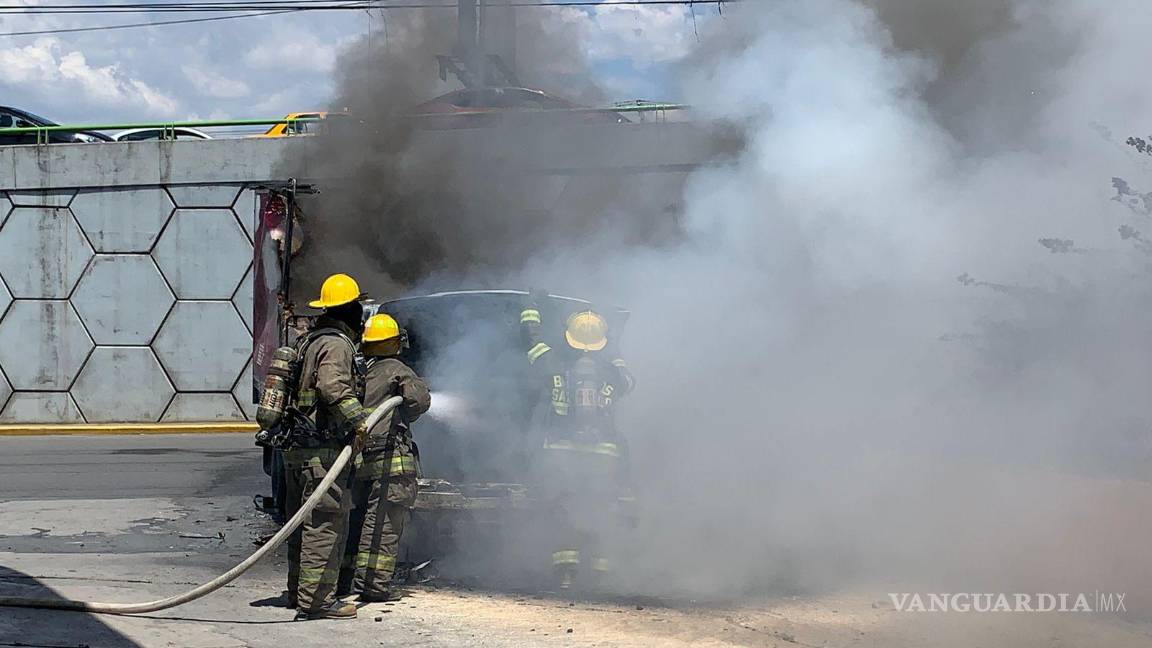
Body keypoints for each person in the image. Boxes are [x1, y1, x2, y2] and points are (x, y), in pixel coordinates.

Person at [519, 296, 636, 591]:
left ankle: (566, 575)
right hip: (603, 455)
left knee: (564, 510)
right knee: (600, 509)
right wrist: (614, 343)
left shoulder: (554, 364)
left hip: (562, 452)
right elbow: (627, 380)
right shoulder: (613, 372)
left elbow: (532, 343)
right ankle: (599, 575)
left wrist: (531, 307)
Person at [283, 272, 371, 621]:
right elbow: (332, 387)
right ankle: (317, 602)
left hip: (298, 452)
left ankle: (298, 593)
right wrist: (360, 420)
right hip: (322, 454)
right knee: (323, 525)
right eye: (358, 308)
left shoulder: (310, 341)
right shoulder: (336, 344)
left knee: (299, 526)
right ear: (348, 310)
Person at [341, 313, 431, 602]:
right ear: (394, 342)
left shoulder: (359, 369)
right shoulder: (396, 368)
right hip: (390, 458)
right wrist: (406, 410)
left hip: (359, 459)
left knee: (356, 522)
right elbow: (419, 401)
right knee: (383, 524)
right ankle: (374, 587)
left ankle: (346, 583)